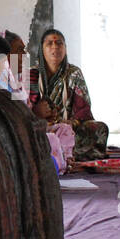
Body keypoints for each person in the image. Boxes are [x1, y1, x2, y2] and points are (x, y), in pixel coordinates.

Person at [28, 28, 109, 162]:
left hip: (69, 129)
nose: (55, 47)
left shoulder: (74, 73)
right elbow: (24, 108)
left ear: (65, 49)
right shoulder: (30, 74)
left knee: (99, 128)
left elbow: (84, 109)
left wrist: (71, 122)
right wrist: (38, 114)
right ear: (41, 49)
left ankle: (58, 153)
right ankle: (63, 153)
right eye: (49, 43)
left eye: (59, 43)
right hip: (41, 127)